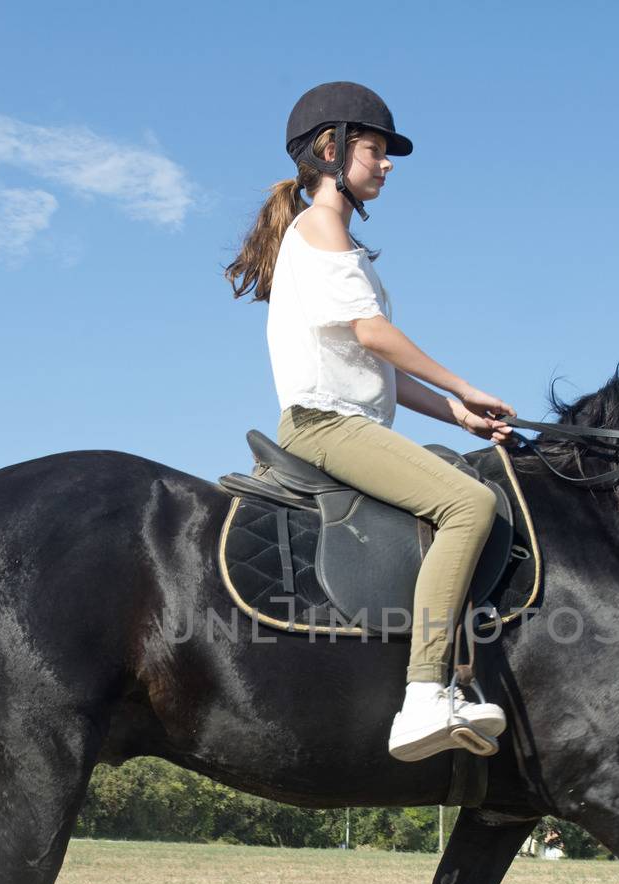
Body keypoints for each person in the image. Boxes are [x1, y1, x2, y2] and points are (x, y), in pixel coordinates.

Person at [225, 81, 517, 762]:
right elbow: (373, 332)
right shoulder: (321, 227)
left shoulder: (327, 233)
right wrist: (463, 381)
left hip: (347, 422)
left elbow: (373, 363)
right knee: (471, 505)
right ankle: (422, 696)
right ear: (331, 150)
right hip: (326, 426)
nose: (386, 164)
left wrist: (455, 411)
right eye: (375, 150)